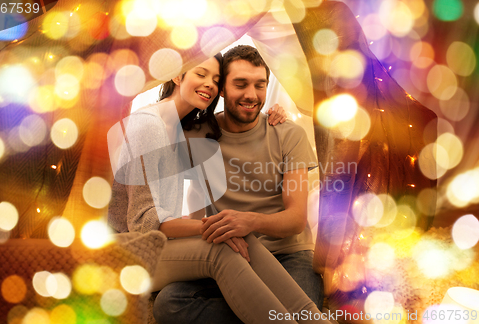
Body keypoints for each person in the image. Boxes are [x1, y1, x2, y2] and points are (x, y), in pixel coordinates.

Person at [108, 53, 330, 324]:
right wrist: (219, 226)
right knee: (175, 299)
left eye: (259, 85)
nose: (251, 94)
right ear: (178, 76)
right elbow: (144, 219)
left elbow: (296, 219)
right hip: (139, 242)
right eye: (240, 84)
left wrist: (241, 222)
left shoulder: (283, 132)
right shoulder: (177, 129)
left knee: (235, 236)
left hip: (286, 253)